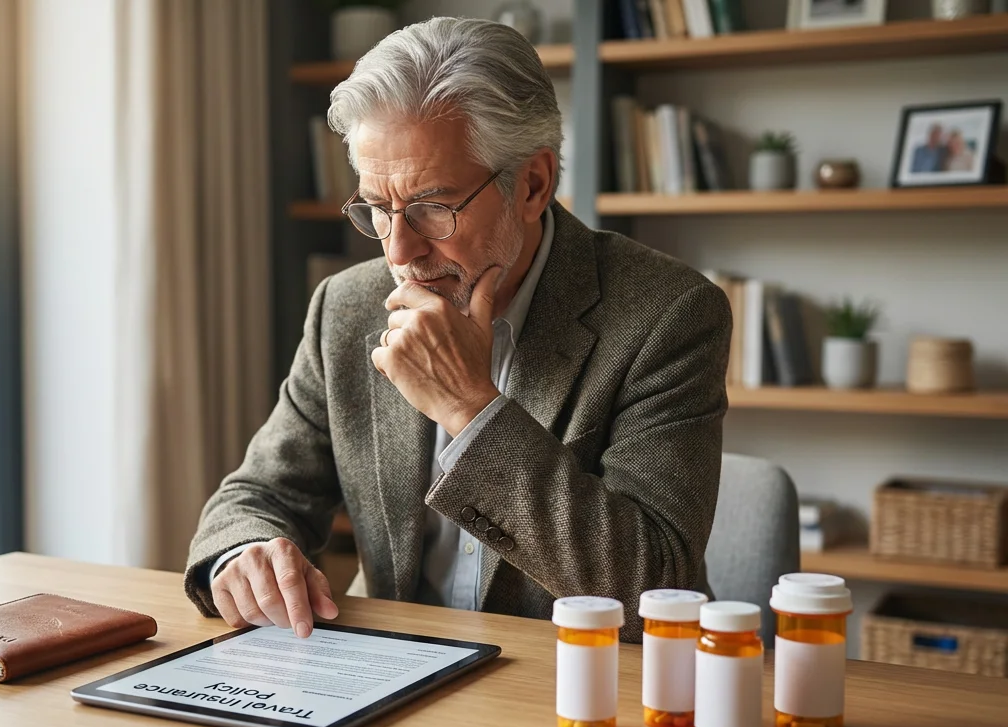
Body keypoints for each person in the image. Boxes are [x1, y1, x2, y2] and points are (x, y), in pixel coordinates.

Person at [183, 17, 731, 643]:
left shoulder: (669, 314)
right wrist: (246, 553)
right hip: (394, 676)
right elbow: (256, 494)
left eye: (431, 207)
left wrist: (470, 408)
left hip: (583, 686)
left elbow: (651, 588)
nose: (398, 251)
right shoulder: (347, 306)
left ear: (532, 183)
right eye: (378, 209)